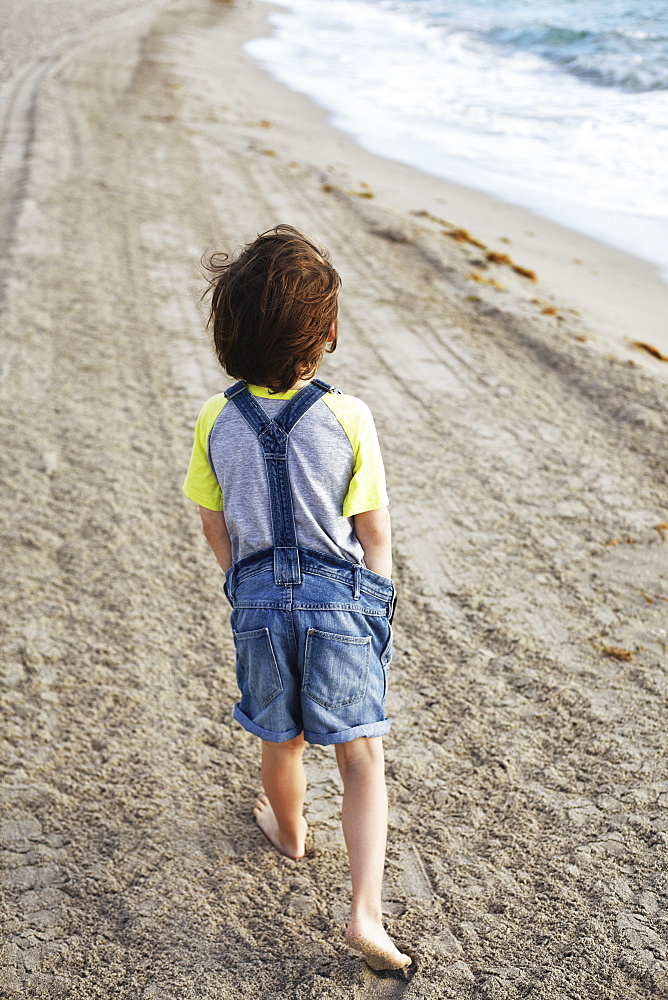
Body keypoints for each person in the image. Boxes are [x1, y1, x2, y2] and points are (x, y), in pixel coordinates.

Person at [183, 225, 411, 971]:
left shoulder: (217, 419)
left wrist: (240, 583)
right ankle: (366, 914)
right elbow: (373, 533)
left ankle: (288, 831)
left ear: (230, 332)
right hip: (339, 598)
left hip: (256, 600)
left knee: (279, 739)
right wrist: (375, 606)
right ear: (330, 334)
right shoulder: (349, 418)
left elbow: (214, 524)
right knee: (361, 757)